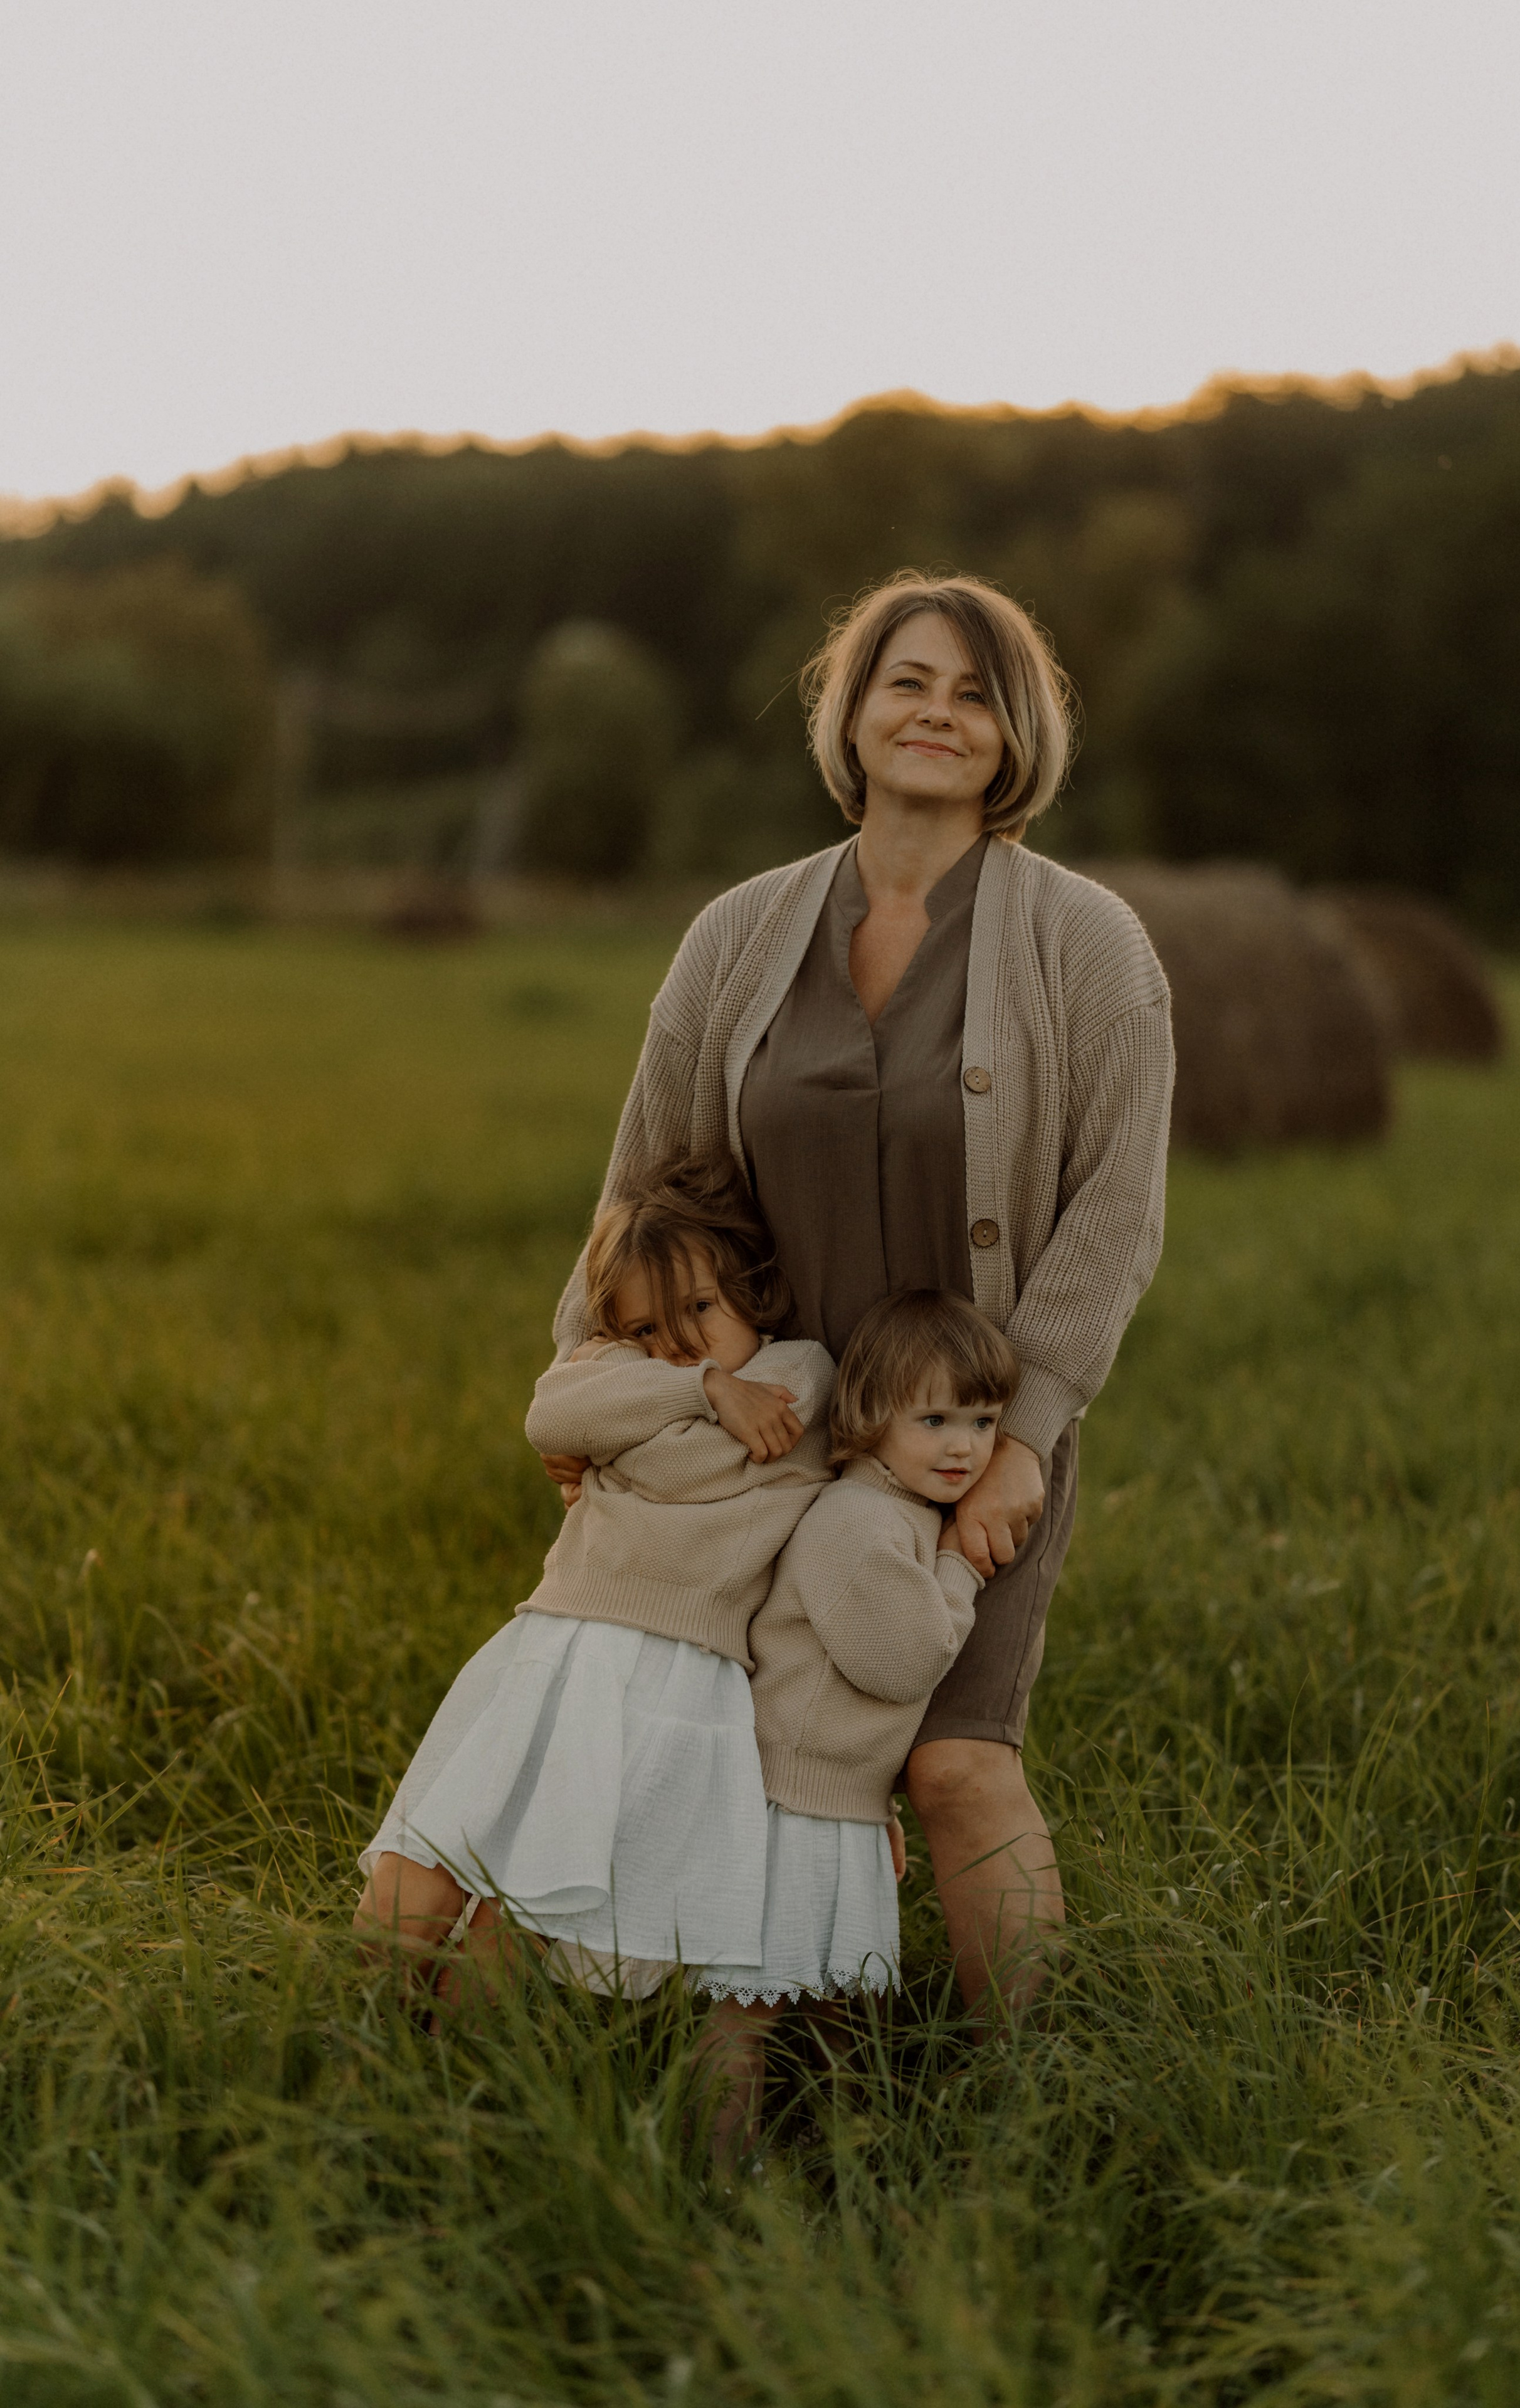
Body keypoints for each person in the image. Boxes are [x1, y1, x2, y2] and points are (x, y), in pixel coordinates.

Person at [541, 571, 1174, 2010]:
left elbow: (1115, 1215)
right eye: (907, 683)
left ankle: (1027, 2094)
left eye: (973, 695)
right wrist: (592, 1383)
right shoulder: (736, 935)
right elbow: (644, 1181)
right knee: (755, 1757)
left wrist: (1024, 1438)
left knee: (953, 1762)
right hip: (757, 1428)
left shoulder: (1087, 946)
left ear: (1014, 737)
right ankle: (775, 2061)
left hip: (960, 1442)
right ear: (851, 712)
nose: (936, 715)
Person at [353, 1153, 834, 2004]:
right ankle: (354, 2044)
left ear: (751, 1289)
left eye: (701, 1309)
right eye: (646, 1330)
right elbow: (553, 1413)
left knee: (529, 1909)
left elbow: (683, 1468)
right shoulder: (679, 1375)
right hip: (555, 1647)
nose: (677, 1343)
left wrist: (632, 1421)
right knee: (422, 1871)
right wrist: (705, 1388)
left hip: (671, 1676)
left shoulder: (801, 1372)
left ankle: (452, 2077)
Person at [692, 1289, 1015, 2158]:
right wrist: (960, 1569)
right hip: (790, 1803)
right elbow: (902, 1664)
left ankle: (846, 2154)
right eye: (935, 1419)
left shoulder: (899, 1511)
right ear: (871, 1415)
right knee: (751, 2007)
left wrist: (877, 1806)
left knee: (843, 2002)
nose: (963, 1447)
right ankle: (717, 2170)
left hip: (839, 1801)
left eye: (984, 1423)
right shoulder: (857, 1521)